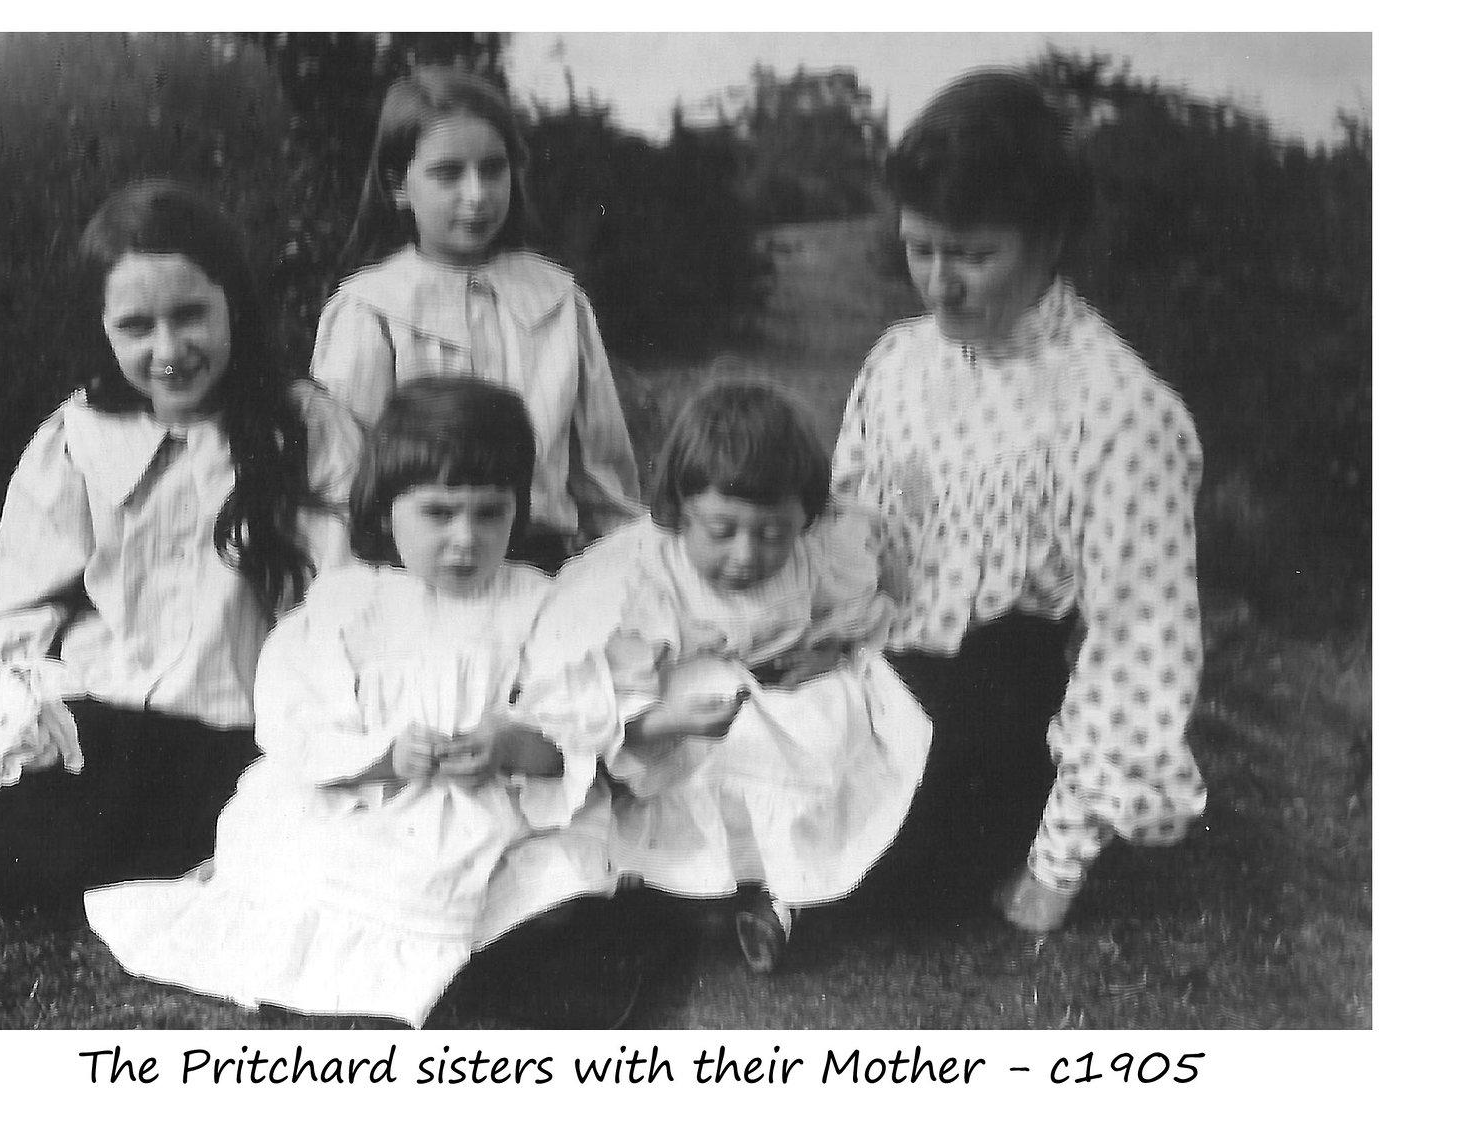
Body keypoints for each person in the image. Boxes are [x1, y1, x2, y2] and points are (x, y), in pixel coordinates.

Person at [85, 378, 621, 1027]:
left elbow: (576, 729)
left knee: (551, 884)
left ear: (518, 509)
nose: (465, 539)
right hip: (363, 793)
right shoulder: (351, 603)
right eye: (439, 512)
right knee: (301, 851)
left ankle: (463, 941)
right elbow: (297, 722)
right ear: (387, 506)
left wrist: (508, 743)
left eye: (489, 513)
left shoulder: (537, 604)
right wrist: (384, 756)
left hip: (487, 807)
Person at [831, 69, 1207, 933]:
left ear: (1051, 235)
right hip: (871, 662)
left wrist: (1056, 865)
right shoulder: (899, 359)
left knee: (877, 859)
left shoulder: (1118, 408)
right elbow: (846, 524)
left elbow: (1138, 647)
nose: (940, 283)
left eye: (971, 254)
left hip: (992, 709)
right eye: (921, 248)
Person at [0, 180, 362, 930]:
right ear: (101, 328)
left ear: (234, 303)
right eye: (137, 325)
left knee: (242, 845)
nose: (169, 349)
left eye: (191, 314)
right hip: (109, 723)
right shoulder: (80, 434)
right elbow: (28, 599)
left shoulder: (304, 429)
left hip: (243, 732)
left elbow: (338, 599)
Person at [545, 380, 932, 974]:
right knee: (710, 716)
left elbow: (872, 593)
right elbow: (609, 680)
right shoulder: (648, 575)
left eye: (773, 533)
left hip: (782, 686)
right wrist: (660, 720)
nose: (747, 555)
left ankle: (779, 890)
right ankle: (665, 877)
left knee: (835, 721)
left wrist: (827, 654)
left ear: (806, 519)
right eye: (721, 532)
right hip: (683, 708)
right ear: (679, 510)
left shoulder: (820, 554)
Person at [311, 66, 640, 570]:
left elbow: (603, 476)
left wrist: (628, 571)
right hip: (414, 573)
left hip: (542, 567)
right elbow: (343, 478)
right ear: (399, 186)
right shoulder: (371, 309)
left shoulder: (557, 299)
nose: (477, 194)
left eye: (493, 169)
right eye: (448, 174)